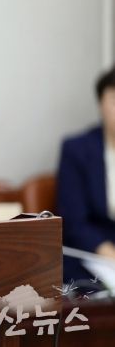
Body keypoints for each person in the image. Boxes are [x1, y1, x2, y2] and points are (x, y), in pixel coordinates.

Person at [58, 65, 115, 283]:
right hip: (91, 254)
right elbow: (74, 222)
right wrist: (109, 253)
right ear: (101, 104)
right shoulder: (77, 150)